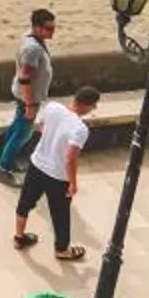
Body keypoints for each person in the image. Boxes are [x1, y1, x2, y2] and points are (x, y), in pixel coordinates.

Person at [14, 85, 99, 261]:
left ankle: (19, 237)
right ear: (85, 105)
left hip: (37, 164)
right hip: (57, 176)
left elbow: (41, 127)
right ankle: (62, 250)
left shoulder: (52, 107)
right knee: (60, 214)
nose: (94, 109)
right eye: (93, 106)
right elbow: (70, 158)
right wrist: (73, 183)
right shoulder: (80, 129)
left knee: (25, 201)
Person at [0, 7, 58, 186]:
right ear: (37, 27)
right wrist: (29, 103)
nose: (52, 32)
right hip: (28, 98)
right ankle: (3, 167)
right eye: (48, 29)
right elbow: (25, 77)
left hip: (24, 96)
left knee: (17, 127)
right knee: (22, 134)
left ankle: (7, 158)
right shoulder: (33, 50)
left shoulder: (29, 39)